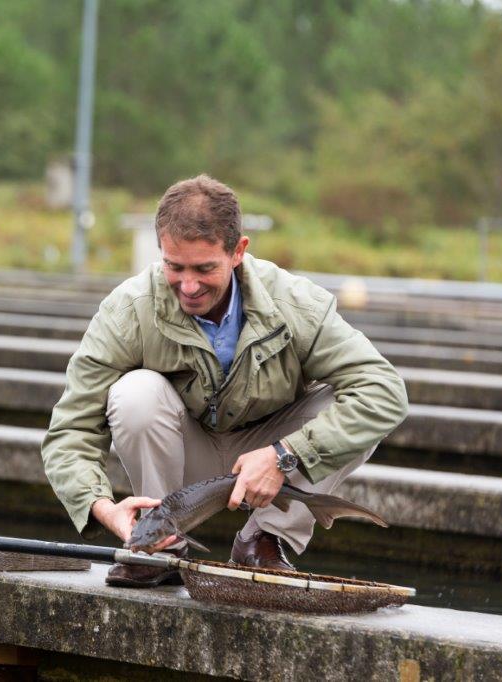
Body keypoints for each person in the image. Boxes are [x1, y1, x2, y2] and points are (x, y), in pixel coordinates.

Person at [41, 174, 409, 587]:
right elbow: (70, 429)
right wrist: (100, 505)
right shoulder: (128, 309)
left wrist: (286, 454)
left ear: (238, 251)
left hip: (271, 452)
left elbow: (385, 391)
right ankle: (161, 541)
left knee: (351, 406)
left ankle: (264, 539)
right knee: (134, 394)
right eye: (174, 267)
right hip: (184, 452)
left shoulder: (295, 302)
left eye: (204, 268)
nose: (189, 285)